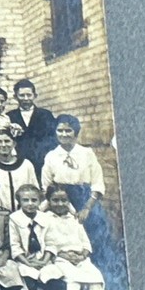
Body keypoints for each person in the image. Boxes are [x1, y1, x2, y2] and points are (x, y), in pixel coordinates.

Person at [39, 114, 113, 267]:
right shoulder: (51, 156)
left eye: (68, 131)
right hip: (61, 201)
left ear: (76, 133)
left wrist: (87, 208)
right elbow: (46, 187)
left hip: (86, 199)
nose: (64, 134)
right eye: (60, 131)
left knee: (95, 238)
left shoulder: (86, 153)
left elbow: (97, 182)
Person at [42, 185, 108, 290]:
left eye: (63, 200)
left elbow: (86, 243)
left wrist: (82, 255)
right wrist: (63, 254)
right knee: (74, 282)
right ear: (48, 201)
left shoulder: (75, 219)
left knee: (97, 281)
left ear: (69, 202)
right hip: (60, 260)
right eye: (55, 200)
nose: (59, 204)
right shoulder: (44, 219)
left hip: (80, 259)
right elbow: (44, 243)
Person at [9, 184, 65, 290]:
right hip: (25, 261)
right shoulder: (14, 219)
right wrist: (28, 262)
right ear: (18, 201)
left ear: (40, 201)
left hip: (44, 260)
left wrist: (44, 261)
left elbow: (51, 243)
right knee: (29, 287)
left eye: (34, 200)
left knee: (54, 282)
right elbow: (15, 246)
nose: (30, 204)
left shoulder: (46, 218)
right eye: (25, 200)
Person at [0, 128, 38, 212]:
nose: (3, 145)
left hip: (23, 213)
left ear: (14, 143)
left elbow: (34, 190)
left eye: (7, 141)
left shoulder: (26, 165)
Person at [7, 78, 56, 175]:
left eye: (29, 95)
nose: (25, 98)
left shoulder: (46, 115)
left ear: (35, 96)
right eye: (21, 95)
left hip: (43, 163)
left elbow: (53, 139)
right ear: (15, 97)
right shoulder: (9, 116)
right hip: (20, 164)